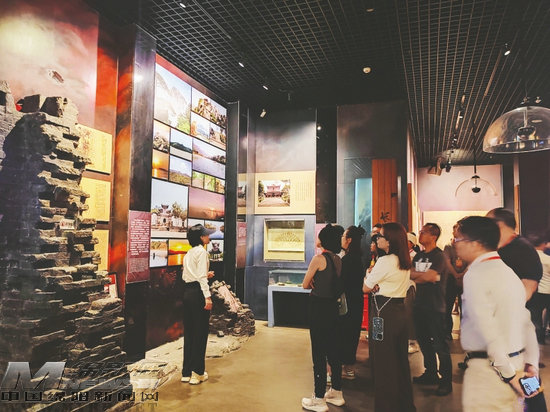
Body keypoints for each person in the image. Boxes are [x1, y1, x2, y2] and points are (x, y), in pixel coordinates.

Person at [454, 216, 540, 411]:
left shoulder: (476, 274)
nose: (455, 244)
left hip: (489, 371)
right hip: (517, 362)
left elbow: (486, 329)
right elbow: (526, 323)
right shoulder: (508, 272)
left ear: (474, 243)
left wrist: (509, 375)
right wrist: (531, 364)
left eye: (458, 239)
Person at [486, 208, 546, 412]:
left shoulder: (522, 249)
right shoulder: (499, 250)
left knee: (528, 384)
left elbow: (528, 288)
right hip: (504, 330)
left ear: (499, 225)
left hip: (518, 331)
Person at [363, 222, 416, 412]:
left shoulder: (385, 261)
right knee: (400, 361)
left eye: (381, 236)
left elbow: (366, 287)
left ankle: (386, 406)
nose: (378, 239)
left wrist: (368, 275)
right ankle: (405, 404)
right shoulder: (403, 259)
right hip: (399, 311)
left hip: (383, 313)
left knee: (383, 363)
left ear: (390, 240)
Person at [301, 224, 345, 412]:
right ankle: (336, 392)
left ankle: (318, 398)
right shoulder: (338, 259)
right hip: (333, 308)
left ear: (324, 239)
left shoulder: (318, 259)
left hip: (318, 308)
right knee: (334, 351)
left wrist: (313, 280)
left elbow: (305, 284)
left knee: (318, 353)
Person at [411, 223, 452, 396]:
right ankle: (430, 373)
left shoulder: (439, 256)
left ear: (433, 236)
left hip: (435, 306)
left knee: (440, 344)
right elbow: (411, 274)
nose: (420, 235)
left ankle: (446, 381)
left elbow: (430, 276)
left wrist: (422, 276)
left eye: (423, 232)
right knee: (423, 341)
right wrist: (424, 277)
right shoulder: (419, 255)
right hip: (419, 304)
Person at [181, 224, 215, 385]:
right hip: (198, 294)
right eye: (206, 234)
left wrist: (204, 275)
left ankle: (186, 372)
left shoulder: (189, 253)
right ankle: (198, 373)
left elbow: (188, 275)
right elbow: (201, 277)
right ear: (201, 237)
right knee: (200, 333)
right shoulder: (202, 252)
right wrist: (207, 297)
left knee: (189, 333)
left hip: (187, 293)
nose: (209, 237)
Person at [340, 225, 366, 379]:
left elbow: (342, 283)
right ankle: (349, 368)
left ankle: (344, 368)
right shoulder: (357, 258)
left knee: (345, 334)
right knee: (352, 334)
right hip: (356, 301)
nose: (342, 239)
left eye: (343, 236)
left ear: (349, 240)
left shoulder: (347, 260)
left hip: (347, 302)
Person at [443, 224, 467, 338]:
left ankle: (465, 332)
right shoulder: (448, 246)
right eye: (455, 230)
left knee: (465, 307)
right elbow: (447, 262)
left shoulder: (467, 245)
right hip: (450, 279)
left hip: (465, 279)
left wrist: (462, 274)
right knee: (447, 306)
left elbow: (471, 261)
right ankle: (447, 331)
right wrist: (456, 274)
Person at [526, 232, 550, 344]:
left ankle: (538, 339)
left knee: (536, 317)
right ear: (543, 244)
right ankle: (545, 334)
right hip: (548, 291)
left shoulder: (528, 258)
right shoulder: (547, 259)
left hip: (536, 292)